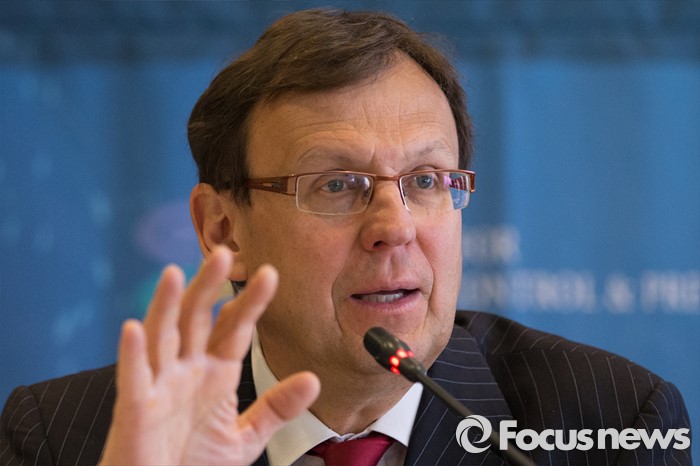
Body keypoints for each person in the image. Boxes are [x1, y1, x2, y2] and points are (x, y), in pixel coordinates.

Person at [0, 8, 692, 466]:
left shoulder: (613, 422)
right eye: (336, 185)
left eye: (427, 180)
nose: (394, 227)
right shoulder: (64, 438)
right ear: (222, 229)